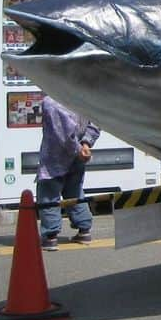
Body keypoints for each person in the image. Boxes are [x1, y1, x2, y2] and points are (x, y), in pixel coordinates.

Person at [36, 95, 100, 251]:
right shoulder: (83, 99)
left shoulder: (51, 102)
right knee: (75, 191)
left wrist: (77, 150)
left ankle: (50, 236)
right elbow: (96, 122)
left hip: (54, 158)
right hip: (78, 157)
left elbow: (63, 135)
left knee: (48, 195)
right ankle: (84, 230)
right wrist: (85, 144)